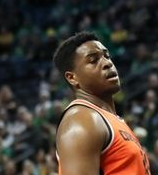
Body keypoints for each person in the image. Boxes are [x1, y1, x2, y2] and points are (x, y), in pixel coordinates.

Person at [52, 31, 150, 175]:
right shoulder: (82, 119)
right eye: (93, 60)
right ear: (72, 78)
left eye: (106, 56)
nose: (107, 63)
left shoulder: (109, 119)